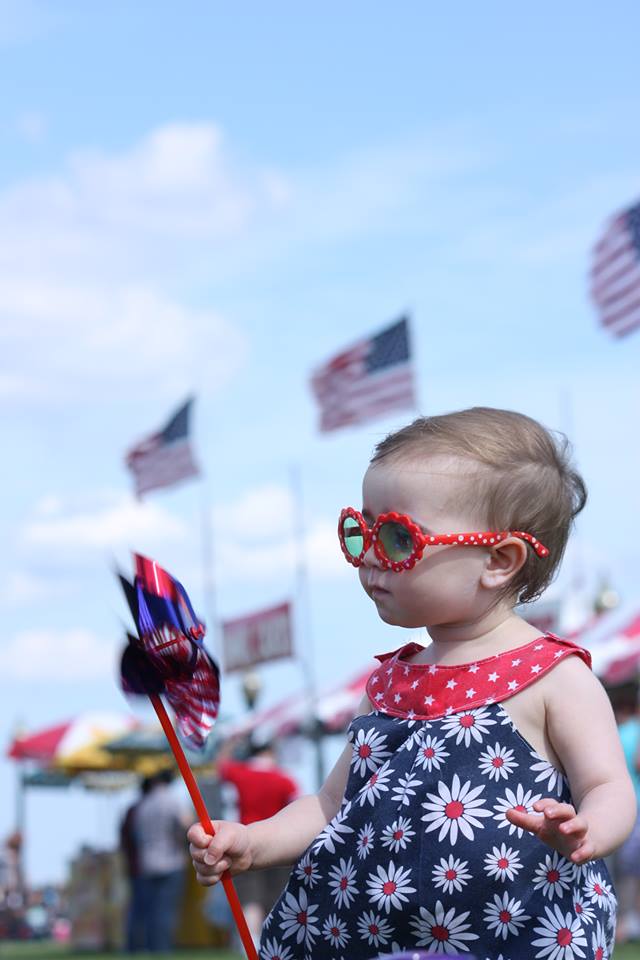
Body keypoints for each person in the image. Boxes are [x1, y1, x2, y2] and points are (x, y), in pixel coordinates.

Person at [188, 407, 637, 958]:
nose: (371, 555)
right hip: (372, 935)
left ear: (498, 559)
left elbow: (610, 786)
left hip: (514, 932)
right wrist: (254, 842)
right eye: (362, 530)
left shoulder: (553, 675)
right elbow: (333, 806)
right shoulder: (388, 683)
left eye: (399, 538)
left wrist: (588, 829)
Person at [215, 736, 298, 949]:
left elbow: (221, 766)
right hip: (280, 846)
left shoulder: (241, 773)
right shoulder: (284, 778)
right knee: (275, 898)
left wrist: (230, 740)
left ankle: (250, 945)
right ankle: (273, 944)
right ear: (270, 751)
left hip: (247, 841)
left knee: (251, 899)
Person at [134, 769, 190, 953]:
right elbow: (186, 824)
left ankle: (151, 947)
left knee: (151, 910)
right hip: (170, 860)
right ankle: (163, 949)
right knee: (166, 909)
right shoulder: (171, 800)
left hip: (147, 862)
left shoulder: (143, 803)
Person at [612, 685, 640, 943]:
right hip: (635, 810)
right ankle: (627, 923)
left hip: (618, 810)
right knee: (631, 870)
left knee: (624, 870)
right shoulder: (633, 733)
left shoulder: (619, 732)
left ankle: (624, 921)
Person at [119, 776, 153, 952]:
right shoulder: (141, 810)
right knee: (143, 909)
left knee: (138, 909)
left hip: (136, 866)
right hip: (142, 867)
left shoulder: (133, 810)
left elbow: (123, 838)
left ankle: (135, 946)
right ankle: (138, 946)